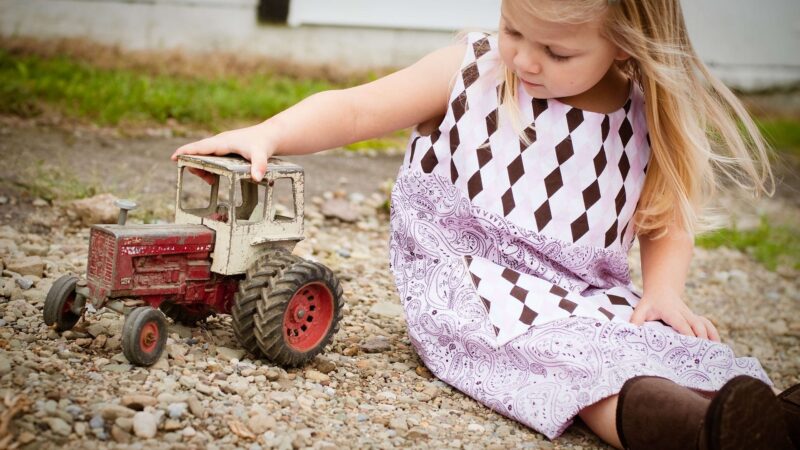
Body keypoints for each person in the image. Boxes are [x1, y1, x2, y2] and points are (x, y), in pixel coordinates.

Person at [171, 0, 799, 448]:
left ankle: (762, 418)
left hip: (583, 292)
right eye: (513, 28)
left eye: (557, 51)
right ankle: (696, 432)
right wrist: (270, 133)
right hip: (477, 284)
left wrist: (663, 292)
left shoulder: (640, 115)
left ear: (626, 44)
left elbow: (664, 216)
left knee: (659, 343)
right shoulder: (474, 72)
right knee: (575, 368)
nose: (525, 57)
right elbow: (358, 108)